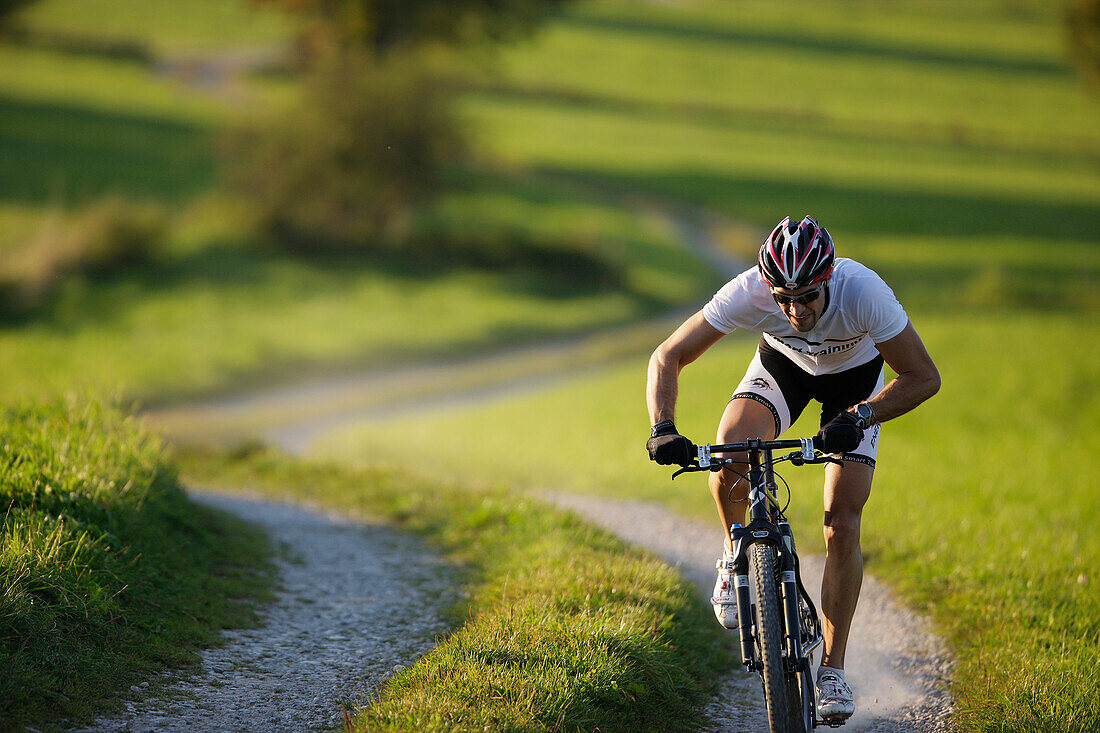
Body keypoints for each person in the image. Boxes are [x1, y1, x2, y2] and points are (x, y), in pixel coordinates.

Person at [645, 215, 939, 723]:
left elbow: (923, 377)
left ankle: (833, 671)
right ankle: (736, 547)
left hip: (855, 387)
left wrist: (863, 415)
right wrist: (663, 427)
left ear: (827, 280)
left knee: (841, 522)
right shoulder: (750, 291)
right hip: (784, 370)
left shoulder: (864, 292)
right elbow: (667, 355)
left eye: (806, 296)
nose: (795, 309)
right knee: (731, 448)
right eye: (783, 298)